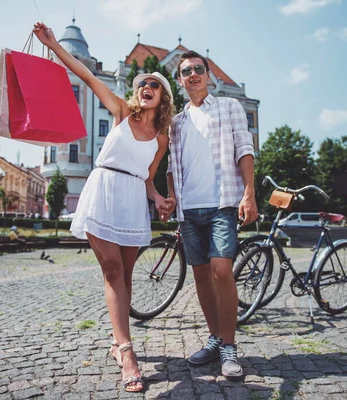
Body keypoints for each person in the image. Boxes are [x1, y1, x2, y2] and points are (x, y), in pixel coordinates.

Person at [33, 22, 176, 393]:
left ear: (163, 97)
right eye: (143, 83)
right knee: (112, 268)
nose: (147, 88)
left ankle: (116, 340)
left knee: (126, 275)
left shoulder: (161, 139)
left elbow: (148, 177)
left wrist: (158, 197)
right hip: (103, 190)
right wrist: (52, 46)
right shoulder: (119, 112)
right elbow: (84, 72)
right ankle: (128, 353)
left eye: (155, 85)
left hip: (132, 199)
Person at [165, 51, 258, 380]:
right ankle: (215, 338)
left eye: (198, 69)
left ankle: (230, 348)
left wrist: (249, 193)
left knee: (221, 269)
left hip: (222, 203)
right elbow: (171, 168)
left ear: (208, 76)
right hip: (189, 209)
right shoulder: (176, 122)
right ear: (180, 80)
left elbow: (244, 148)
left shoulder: (229, 107)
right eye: (186, 71)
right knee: (201, 275)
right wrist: (171, 198)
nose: (192, 74)